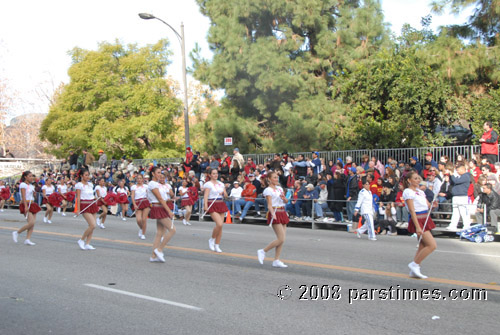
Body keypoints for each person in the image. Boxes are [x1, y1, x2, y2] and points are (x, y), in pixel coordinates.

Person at [403, 171, 437, 279]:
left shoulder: (420, 191)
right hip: (418, 219)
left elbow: (427, 205)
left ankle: (415, 270)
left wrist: (433, 205)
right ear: (409, 180)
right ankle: (414, 264)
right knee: (432, 245)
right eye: (415, 178)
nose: (418, 180)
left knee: (422, 245)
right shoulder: (408, 192)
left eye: (419, 178)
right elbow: (412, 210)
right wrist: (417, 226)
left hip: (425, 217)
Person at [257, 171, 290, 268]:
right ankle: (263, 251)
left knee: (282, 240)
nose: (277, 179)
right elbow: (269, 205)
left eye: (277, 177)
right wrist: (272, 214)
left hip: (282, 212)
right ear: (269, 179)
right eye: (274, 177)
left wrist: (284, 198)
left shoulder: (279, 188)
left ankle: (276, 260)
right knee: (281, 238)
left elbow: (286, 201)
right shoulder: (268, 190)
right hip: (275, 213)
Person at [147, 167, 176, 262]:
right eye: (158, 172)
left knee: (159, 233)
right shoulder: (152, 184)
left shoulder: (158, 184)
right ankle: (159, 249)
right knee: (172, 229)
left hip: (161, 207)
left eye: (160, 172)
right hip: (158, 208)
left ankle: (153, 256)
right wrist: (169, 211)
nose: (160, 174)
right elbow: (159, 199)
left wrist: (169, 200)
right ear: (153, 174)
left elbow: (163, 198)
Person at [12, 171, 41, 246]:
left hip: (32, 203)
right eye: (30, 176)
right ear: (25, 177)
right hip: (26, 203)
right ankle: (17, 232)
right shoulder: (23, 184)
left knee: (32, 224)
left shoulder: (32, 186)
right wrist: (25, 206)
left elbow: (33, 196)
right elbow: (23, 196)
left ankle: (28, 239)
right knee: (31, 222)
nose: (32, 178)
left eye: (32, 176)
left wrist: (34, 195)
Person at [203, 168, 229, 253]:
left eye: (216, 173)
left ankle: (217, 245)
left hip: (220, 203)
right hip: (212, 204)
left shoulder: (221, 184)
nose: (215, 175)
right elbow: (206, 196)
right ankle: (212, 239)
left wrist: (224, 193)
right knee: (219, 223)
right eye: (213, 173)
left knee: (220, 227)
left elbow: (226, 196)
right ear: (210, 175)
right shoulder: (208, 184)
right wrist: (205, 206)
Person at [75, 169, 99, 250]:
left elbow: (91, 195)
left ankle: (87, 243)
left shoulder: (91, 184)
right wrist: (78, 209)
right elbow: (78, 197)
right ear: (81, 176)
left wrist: (96, 198)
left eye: (88, 175)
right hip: (84, 205)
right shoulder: (79, 185)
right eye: (85, 175)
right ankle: (81, 240)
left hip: (92, 204)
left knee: (92, 226)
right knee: (93, 224)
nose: (87, 176)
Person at [446, 164, 472, 230]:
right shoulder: (459, 176)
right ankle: (453, 225)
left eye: (458, 170)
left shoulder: (466, 176)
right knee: (455, 212)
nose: (457, 172)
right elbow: (453, 182)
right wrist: (449, 175)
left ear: (463, 169)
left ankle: (466, 225)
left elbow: (456, 181)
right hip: (456, 196)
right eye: (456, 170)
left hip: (462, 197)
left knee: (463, 212)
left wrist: (452, 175)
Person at [354, 176, 376, 241]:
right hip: (365, 210)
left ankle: (359, 231)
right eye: (366, 184)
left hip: (370, 209)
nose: (368, 185)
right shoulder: (362, 192)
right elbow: (359, 201)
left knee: (368, 223)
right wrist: (356, 209)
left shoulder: (370, 192)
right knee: (370, 223)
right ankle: (371, 236)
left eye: (368, 184)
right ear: (363, 185)